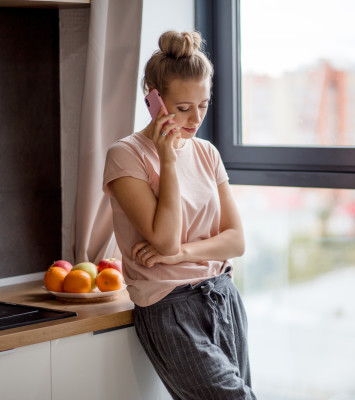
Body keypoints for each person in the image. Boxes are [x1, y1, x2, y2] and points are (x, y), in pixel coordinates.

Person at [103, 30, 256, 399]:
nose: (195, 118)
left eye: (203, 105)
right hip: (171, 307)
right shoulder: (126, 156)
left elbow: (236, 240)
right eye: (183, 108)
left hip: (223, 295)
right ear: (153, 100)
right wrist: (167, 158)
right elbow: (164, 238)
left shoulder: (207, 153)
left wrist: (182, 254)